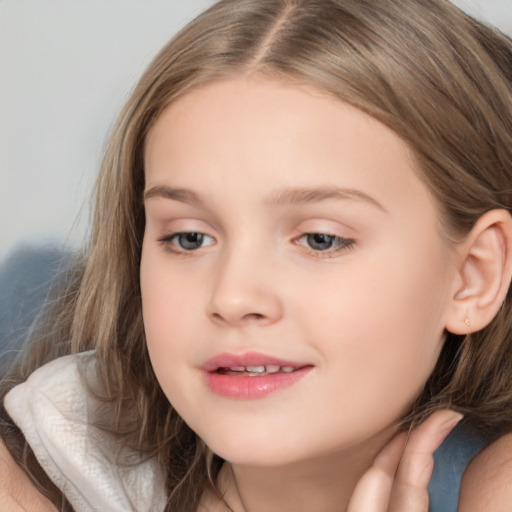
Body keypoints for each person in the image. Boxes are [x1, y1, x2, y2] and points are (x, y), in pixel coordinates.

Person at [1, 0, 512, 510]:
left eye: (320, 239)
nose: (233, 296)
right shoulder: (50, 459)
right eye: (189, 238)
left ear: (473, 276)